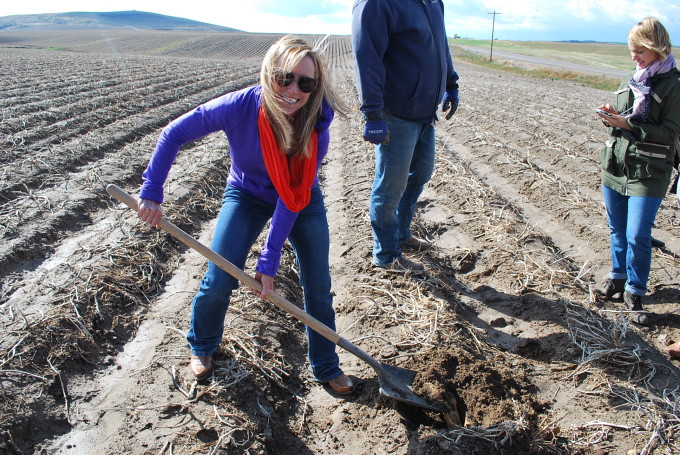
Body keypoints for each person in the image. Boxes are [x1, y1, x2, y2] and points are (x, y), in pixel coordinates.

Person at [136, 36, 355, 394]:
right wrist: (152, 190)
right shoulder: (239, 106)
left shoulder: (316, 123)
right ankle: (203, 346)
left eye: (306, 82)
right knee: (220, 274)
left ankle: (327, 365)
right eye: (286, 77)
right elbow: (173, 133)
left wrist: (269, 259)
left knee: (317, 285)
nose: (293, 89)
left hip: (301, 199)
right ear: (270, 73)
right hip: (247, 193)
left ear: (314, 89)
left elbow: (293, 194)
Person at [351, 0, 460, 271]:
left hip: (424, 111)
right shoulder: (376, 3)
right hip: (394, 111)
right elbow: (367, 56)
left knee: (421, 173)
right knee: (390, 186)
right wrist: (373, 113)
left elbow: (440, 45)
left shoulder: (433, 3)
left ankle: (400, 233)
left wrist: (451, 83)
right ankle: (386, 255)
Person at [595, 17, 680, 325]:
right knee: (617, 230)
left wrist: (628, 124)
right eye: (631, 50)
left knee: (637, 235)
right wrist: (611, 117)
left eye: (638, 50)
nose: (633, 57)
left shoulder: (673, 85)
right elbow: (626, 117)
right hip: (616, 164)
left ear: (655, 47)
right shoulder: (634, 77)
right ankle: (617, 278)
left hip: (650, 170)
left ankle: (635, 291)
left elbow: (669, 132)